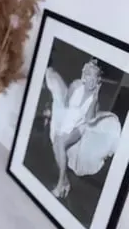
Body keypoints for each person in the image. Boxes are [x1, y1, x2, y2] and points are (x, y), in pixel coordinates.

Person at [45, 59, 121, 199]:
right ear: (84, 75)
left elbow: (89, 119)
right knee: (56, 144)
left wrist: (95, 98)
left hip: (80, 127)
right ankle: (66, 182)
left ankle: (60, 185)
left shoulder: (95, 101)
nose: (91, 80)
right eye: (88, 75)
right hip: (68, 121)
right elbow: (66, 102)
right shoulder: (76, 85)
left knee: (60, 144)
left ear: (98, 81)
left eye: (94, 77)